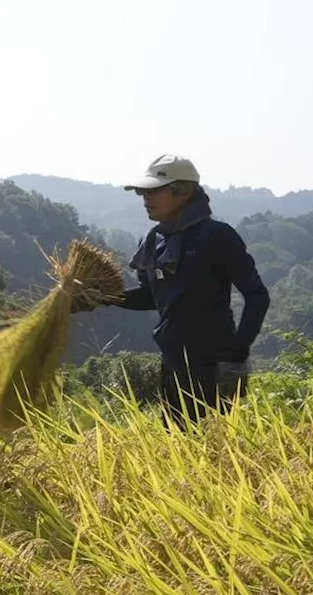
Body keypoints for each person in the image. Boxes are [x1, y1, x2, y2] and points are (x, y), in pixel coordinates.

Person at [78, 154, 270, 426]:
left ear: (183, 191)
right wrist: (103, 297)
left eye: (154, 191)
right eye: (143, 192)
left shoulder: (217, 236)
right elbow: (150, 296)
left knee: (214, 450)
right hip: (172, 362)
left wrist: (238, 352)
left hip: (213, 365)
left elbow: (256, 296)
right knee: (178, 446)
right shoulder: (153, 239)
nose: (146, 198)